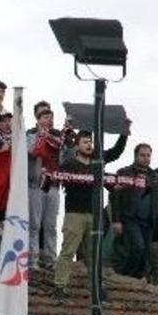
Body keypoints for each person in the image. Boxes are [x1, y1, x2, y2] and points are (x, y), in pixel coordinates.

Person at [52, 126, 128, 299]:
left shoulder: (98, 162)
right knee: (68, 251)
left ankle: (97, 287)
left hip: (94, 215)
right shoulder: (69, 164)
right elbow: (58, 177)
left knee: (94, 254)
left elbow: (115, 152)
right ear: (77, 146)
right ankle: (60, 286)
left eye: (91, 141)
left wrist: (123, 132)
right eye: (85, 141)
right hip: (74, 214)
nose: (89, 144)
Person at [110, 143, 157, 280]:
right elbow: (115, 197)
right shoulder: (124, 172)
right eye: (142, 155)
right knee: (138, 247)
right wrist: (116, 220)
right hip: (130, 218)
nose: (146, 158)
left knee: (145, 253)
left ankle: (135, 280)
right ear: (136, 156)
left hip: (147, 220)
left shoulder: (153, 176)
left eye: (148, 155)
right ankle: (125, 276)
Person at [25, 104, 64, 268]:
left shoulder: (58, 138)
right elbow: (30, 151)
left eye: (51, 118)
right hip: (36, 184)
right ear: (38, 120)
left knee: (50, 225)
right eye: (45, 117)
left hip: (53, 185)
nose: (49, 120)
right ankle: (32, 259)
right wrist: (40, 136)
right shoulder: (31, 134)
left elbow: (63, 159)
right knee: (34, 224)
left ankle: (50, 258)